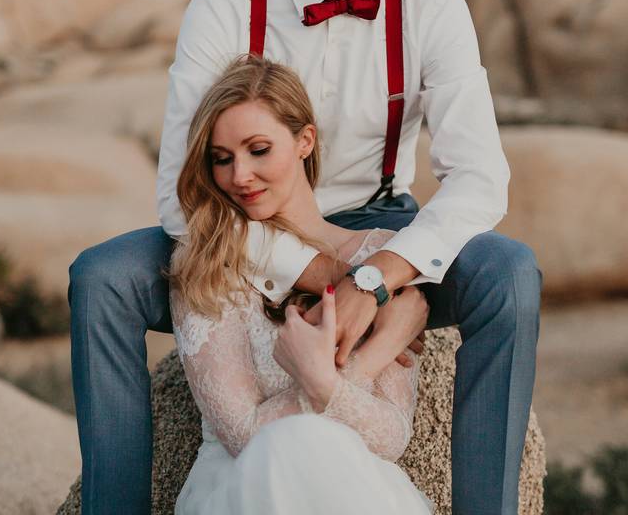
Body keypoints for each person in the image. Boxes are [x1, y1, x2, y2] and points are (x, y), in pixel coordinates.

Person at [68, 0, 542, 513]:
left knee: (508, 274)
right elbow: (182, 201)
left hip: (381, 224)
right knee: (101, 279)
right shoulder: (226, 4)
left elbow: (481, 179)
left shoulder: (431, 1)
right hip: (239, 221)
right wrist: (327, 275)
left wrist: (376, 277)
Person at [168, 54, 434, 514]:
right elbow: (245, 435)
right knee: (295, 446)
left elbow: (391, 438)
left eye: (259, 150)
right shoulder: (209, 258)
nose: (239, 176)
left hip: (357, 482)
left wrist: (323, 379)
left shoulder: (379, 258)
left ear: (304, 141)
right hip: (243, 488)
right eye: (221, 159)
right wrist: (364, 359)